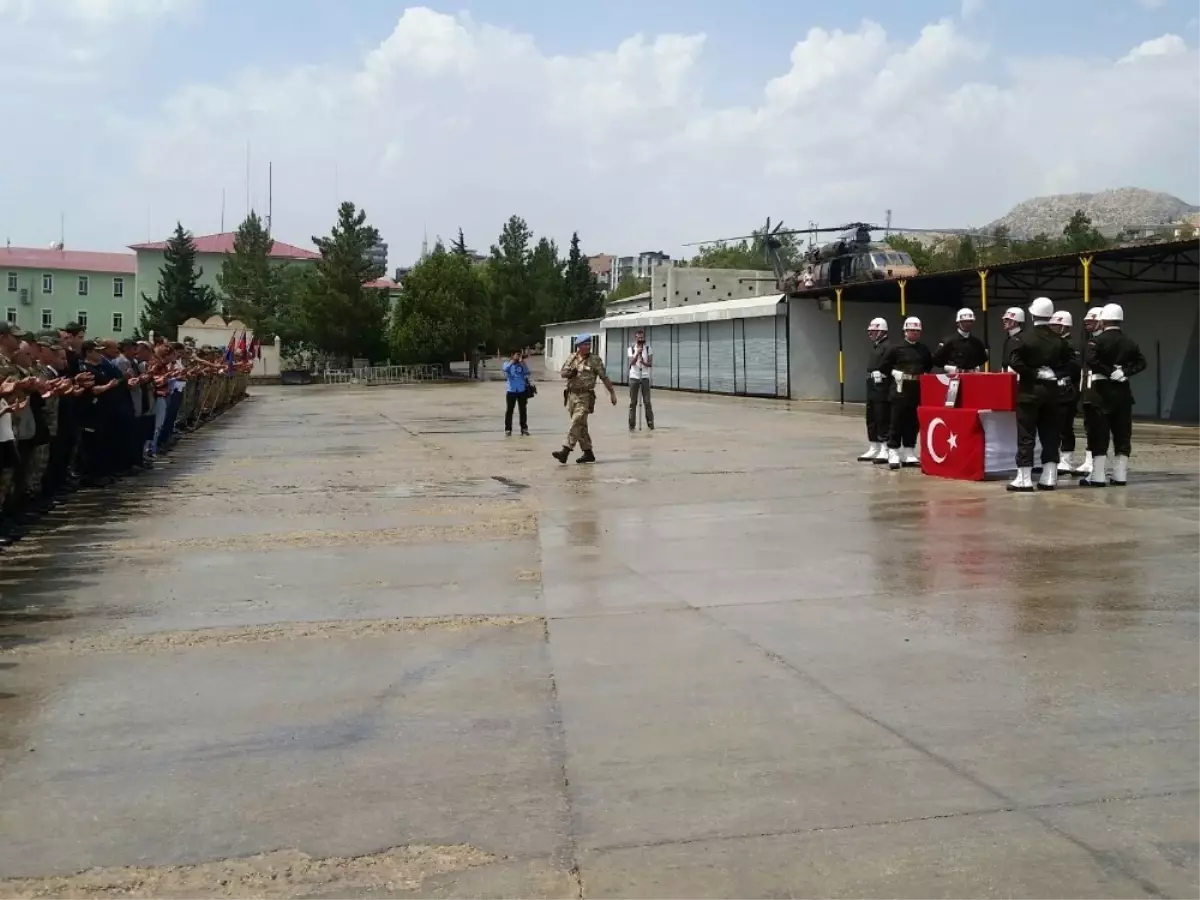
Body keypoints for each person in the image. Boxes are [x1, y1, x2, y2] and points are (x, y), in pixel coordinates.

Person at [1007, 296, 1071, 492]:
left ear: (1032, 313)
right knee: (1051, 433)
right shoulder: (1059, 340)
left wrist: (1033, 372)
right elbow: (1071, 364)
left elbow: (1014, 361)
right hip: (1052, 391)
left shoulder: (1022, 338)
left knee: (1026, 434)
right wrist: (1054, 373)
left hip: (1029, 390)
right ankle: (1049, 477)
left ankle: (1024, 478)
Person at [1080, 303, 1146, 488]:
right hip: (1123, 394)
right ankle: (1120, 474)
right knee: (1122, 435)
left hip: (1101, 393)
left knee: (1099, 434)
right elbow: (1142, 362)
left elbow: (1091, 360)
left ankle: (1099, 475)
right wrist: (1125, 371)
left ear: (1103, 320)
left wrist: (1108, 372)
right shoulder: (1129, 341)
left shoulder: (1098, 341)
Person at [552, 335, 616, 465]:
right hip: (571, 396)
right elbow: (563, 373)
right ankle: (588, 453)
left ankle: (565, 450)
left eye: (589, 344)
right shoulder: (572, 357)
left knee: (576, 421)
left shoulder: (595, 360)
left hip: (585, 396)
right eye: (585, 344)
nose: (588, 346)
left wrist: (612, 393)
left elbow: (604, 377)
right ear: (579, 346)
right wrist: (571, 373)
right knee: (580, 426)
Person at [879, 316, 932, 470]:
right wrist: (894, 372)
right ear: (905, 331)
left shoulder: (923, 349)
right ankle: (893, 451)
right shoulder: (895, 348)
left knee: (913, 422)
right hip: (899, 389)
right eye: (911, 330)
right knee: (896, 421)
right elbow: (883, 366)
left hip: (916, 389)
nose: (914, 333)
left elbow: (928, 366)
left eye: (917, 331)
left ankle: (909, 450)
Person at [1048, 311, 1082, 472]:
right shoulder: (1054, 343)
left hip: (1066, 389)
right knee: (1054, 426)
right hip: (1053, 388)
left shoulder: (1072, 344)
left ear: (1064, 326)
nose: (1053, 328)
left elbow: (1074, 368)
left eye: (1056, 325)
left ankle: (1067, 460)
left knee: (1065, 426)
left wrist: (1056, 373)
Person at [1074, 307, 1104, 477]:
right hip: (1086, 388)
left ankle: (1096, 461)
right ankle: (1089, 458)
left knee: (1098, 427)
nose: (1087, 325)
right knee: (1089, 425)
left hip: (1098, 390)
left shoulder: (1101, 342)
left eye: (1091, 322)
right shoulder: (1087, 341)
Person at [858, 317, 891, 462]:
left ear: (882, 331)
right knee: (871, 416)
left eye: (874, 331)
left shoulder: (888, 347)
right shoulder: (876, 347)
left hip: (882, 387)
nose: (871, 334)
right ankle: (874, 446)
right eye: (870, 331)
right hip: (872, 386)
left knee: (882, 416)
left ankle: (885, 447)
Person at [932, 308, 989, 373]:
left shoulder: (977, 343)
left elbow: (983, 358)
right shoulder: (948, 341)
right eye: (964, 321)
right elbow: (936, 359)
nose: (967, 324)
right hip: (954, 377)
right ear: (958, 323)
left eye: (970, 321)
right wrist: (947, 367)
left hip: (972, 376)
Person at [627, 330, 654, 431]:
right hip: (634, 377)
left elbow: (650, 363)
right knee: (633, 402)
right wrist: (637, 353)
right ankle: (631, 424)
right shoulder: (630, 349)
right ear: (636, 338)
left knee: (647, 402)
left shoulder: (648, 349)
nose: (640, 340)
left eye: (642, 338)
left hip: (645, 377)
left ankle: (650, 423)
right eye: (638, 338)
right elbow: (632, 363)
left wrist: (643, 362)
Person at [503, 350, 531, 436]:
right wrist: (513, 361)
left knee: (523, 410)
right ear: (512, 355)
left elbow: (528, 373)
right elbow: (505, 370)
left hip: (521, 390)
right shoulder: (507, 363)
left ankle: (524, 429)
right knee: (509, 411)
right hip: (511, 391)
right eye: (517, 355)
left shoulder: (522, 364)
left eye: (519, 355)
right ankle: (508, 429)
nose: (518, 357)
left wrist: (522, 362)